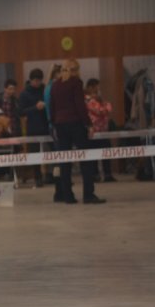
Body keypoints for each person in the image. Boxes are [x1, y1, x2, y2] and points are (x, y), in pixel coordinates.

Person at [50, 59, 105, 204]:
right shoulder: (76, 82)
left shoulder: (55, 85)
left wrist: (54, 124)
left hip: (60, 125)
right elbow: (80, 106)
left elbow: (52, 106)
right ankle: (88, 195)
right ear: (75, 70)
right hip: (75, 123)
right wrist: (89, 125)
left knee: (65, 161)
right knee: (85, 159)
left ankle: (67, 196)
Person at [19, 69, 49, 186]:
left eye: (39, 81)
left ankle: (50, 175)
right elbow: (21, 112)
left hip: (46, 125)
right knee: (35, 154)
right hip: (33, 127)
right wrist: (35, 108)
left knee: (50, 151)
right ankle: (38, 177)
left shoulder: (45, 90)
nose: (37, 83)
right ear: (30, 80)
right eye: (35, 81)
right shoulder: (24, 93)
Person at [85, 78, 116, 182]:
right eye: (96, 87)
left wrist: (103, 104)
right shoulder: (87, 100)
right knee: (93, 154)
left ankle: (108, 174)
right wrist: (104, 105)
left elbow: (109, 108)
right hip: (93, 131)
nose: (98, 89)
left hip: (103, 131)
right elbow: (100, 111)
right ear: (90, 87)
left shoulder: (99, 99)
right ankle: (95, 175)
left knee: (106, 153)